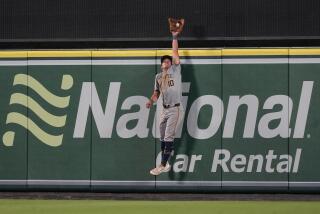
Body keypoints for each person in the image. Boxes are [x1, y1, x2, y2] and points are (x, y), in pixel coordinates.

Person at [146, 30, 182, 176]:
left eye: (168, 61)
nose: (166, 62)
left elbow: (175, 52)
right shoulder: (158, 76)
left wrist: (174, 37)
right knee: (162, 136)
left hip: (175, 108)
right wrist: (151, 101)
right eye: (164, 61)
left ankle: (161, 165)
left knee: (168, 137)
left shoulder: (175, 70)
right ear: (161, 65)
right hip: (164, 109)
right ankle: (166, 163)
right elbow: (156, 93)